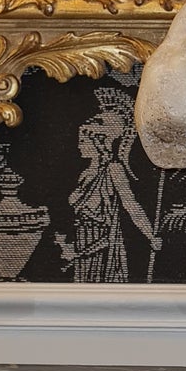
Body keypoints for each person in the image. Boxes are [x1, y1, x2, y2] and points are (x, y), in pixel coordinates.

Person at [67, 109, 160, 283]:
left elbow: (131, 205)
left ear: (97, 143)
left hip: (101, 247)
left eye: (83, 141)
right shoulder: (85, 175)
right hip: (82, 242)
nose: (79, 145)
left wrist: (150, 236)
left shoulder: (113, 170)